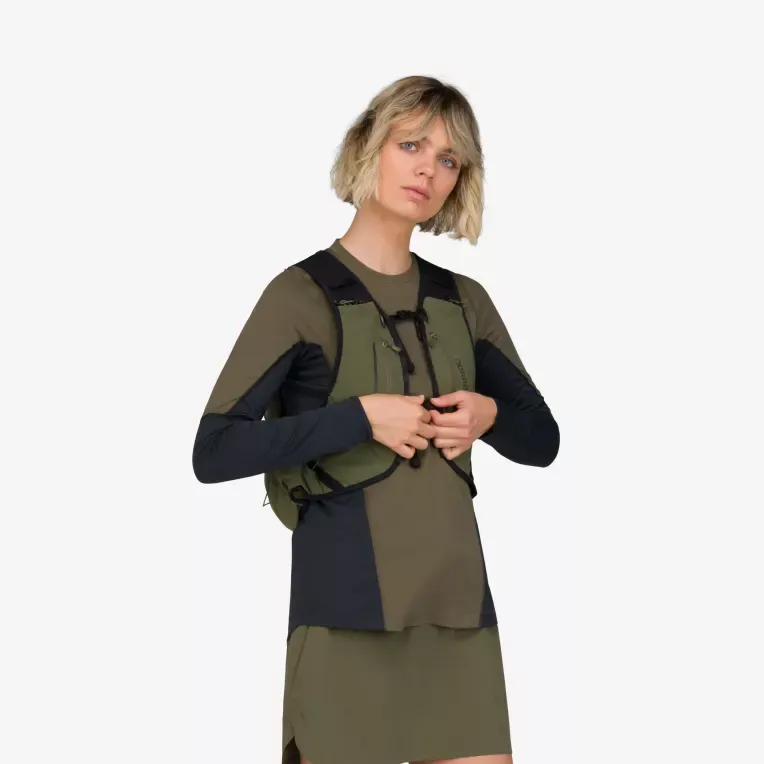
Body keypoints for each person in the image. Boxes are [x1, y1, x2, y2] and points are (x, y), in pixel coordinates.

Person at [192, 75, 560, 764]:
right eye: (410, 145)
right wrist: (359, 418)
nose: (428, 170)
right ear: (368, 147)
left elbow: (542, 440)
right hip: (345, 616)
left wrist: (486, 415)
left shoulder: (464, 301)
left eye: (448, 159)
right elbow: (214, 451)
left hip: (458, 616)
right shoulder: (299, 295)